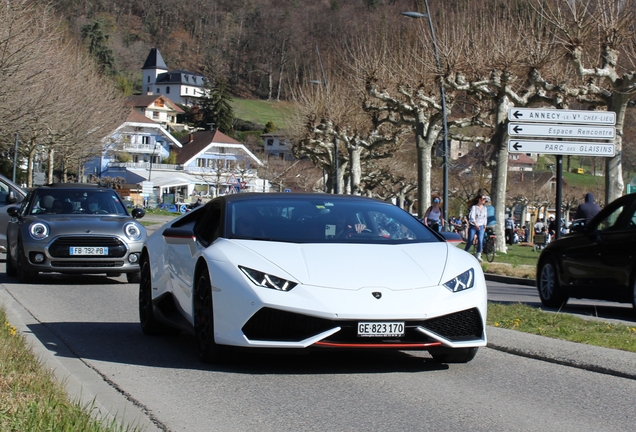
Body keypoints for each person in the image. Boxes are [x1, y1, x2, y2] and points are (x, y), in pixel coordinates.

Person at [464, 194, 489, 262]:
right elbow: (472, 217)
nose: (484, 201)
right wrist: (475, 224)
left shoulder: (485, 208)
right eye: (483, 199)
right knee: (470, 240)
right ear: (479, 199)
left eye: (485, 199)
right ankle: (465, 252)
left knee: (480, 240)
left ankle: (478, 254)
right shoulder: (474, 207)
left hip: (481, 226)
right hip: (473, 226)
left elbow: (485, 217)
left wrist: (484, 225)